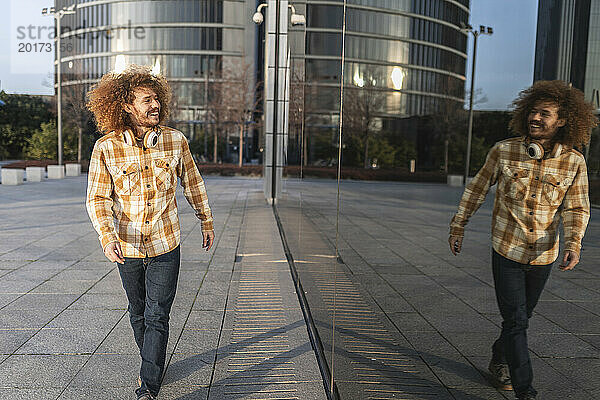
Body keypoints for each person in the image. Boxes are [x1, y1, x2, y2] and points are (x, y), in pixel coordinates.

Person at [448, 80, 597, 400]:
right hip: (507, 249)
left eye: (545, 113)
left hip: (544, 254)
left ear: (563, 120)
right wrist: (458, 225)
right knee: (516, 320)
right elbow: (477, 188)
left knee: (520, 318)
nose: (536, 117)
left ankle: (500, 356)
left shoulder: (574, 162)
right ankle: (524, 389)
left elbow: (576, 207)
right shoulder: (504, 151)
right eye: (533, 111)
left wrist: (573, 244)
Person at [86, 64, 215, 400]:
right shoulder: (106, 148)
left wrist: (206, 219)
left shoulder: (175, 141)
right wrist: (106, 235)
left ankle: (148, 387)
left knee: (158, 314)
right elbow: (98, 198)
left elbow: (193, 182)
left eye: (156, 99)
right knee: (138, 312)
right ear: (127, 106)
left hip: (165, 243)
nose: (154, 105)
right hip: (125, 246)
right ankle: (152, 359)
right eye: (146, 100)